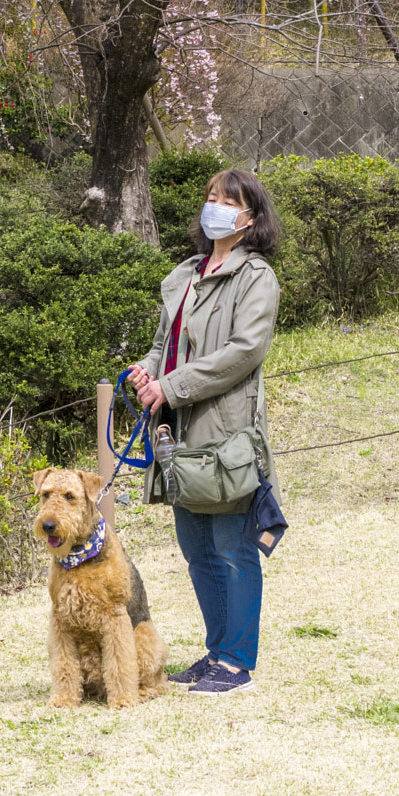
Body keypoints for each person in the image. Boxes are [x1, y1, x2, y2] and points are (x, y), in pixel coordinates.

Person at [127, 166, 281, 698]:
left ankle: (237, 662)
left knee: (230, 545)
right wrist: (148, 373)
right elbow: (163, 343)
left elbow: (243, 353)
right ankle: (217, 650)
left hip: (223, 429)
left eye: (228, 200)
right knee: (194, 543)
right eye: (211, 197)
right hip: (175, 429)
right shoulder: (185, 274)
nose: (214, 206)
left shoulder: (255, 276)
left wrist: (172, 385)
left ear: (250, 217)